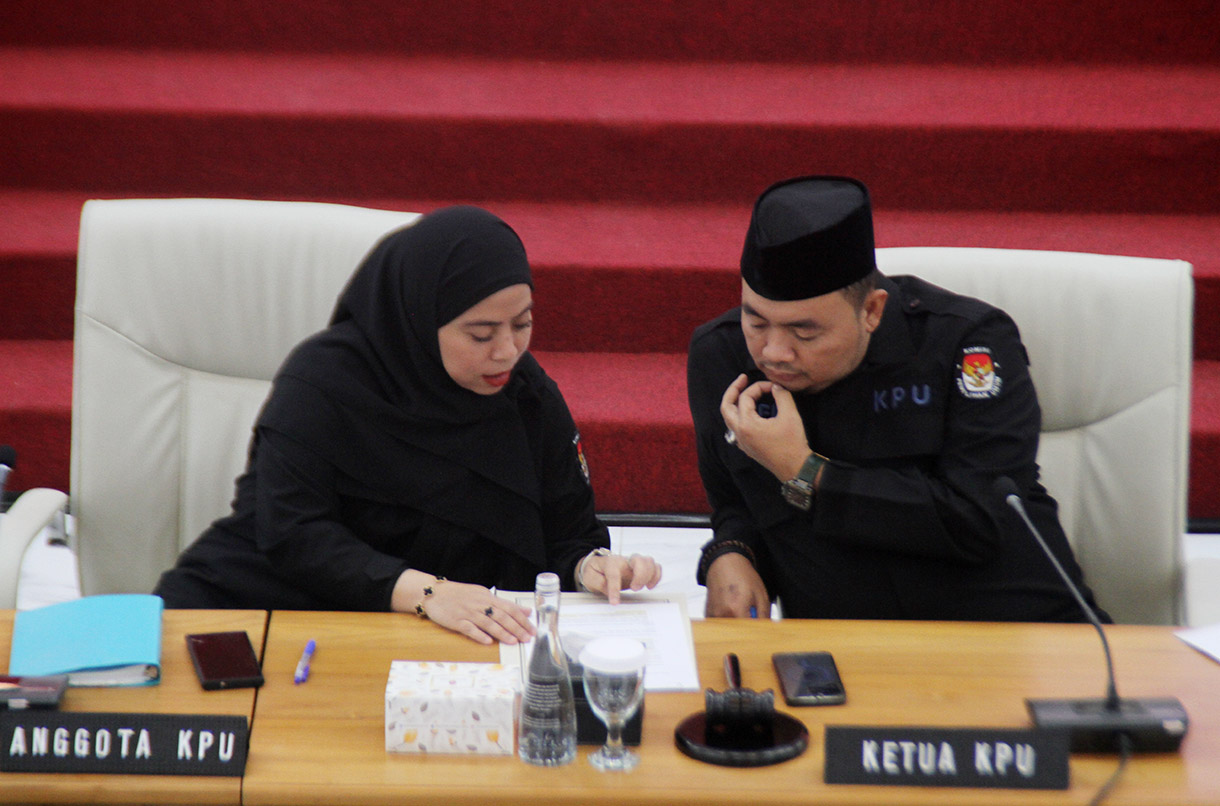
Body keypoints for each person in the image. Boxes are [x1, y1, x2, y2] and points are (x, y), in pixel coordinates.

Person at [155, 206, 661, 644]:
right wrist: (425, 593)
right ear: (417, 321)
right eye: (481, 333)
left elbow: (568, 532)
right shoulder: (322, 386)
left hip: (451, 640)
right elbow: (293, 533)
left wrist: (588, 567)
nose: (507, 351)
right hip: (285, 609)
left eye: (523, 324)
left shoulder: (525, 397)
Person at [687, 176, 1108, 623]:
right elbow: (737, 501)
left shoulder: (967, 345)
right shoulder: (722, 355)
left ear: (871, 311)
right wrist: (731, 551)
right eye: (756, 321)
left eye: (804, 332)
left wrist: (805, 472)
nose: (773, 352)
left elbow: (979, 520)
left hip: (1008, 629)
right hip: (845, 653)